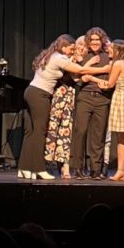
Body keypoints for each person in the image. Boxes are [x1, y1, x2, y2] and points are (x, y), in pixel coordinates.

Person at [19, 34, 103, 180]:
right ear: (64, 47)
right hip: (40, 95)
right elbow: (80, 71)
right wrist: (105, 69)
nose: (72, 51)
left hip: (31, 91)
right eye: (71, 49)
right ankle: (39, 169)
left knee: (30, 132)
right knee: (39, 132)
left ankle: (24, 167)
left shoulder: (50, 54)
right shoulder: (59, 58)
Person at [83, 39, 124, 182]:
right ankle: (121, 170)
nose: (109, 51)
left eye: (111, 48)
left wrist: (91, 78)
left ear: (118, 50)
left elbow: (109, 84)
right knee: (120, 138)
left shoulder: (118, 63)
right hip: (122, 99)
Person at [70, 28, 113, 180]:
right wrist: (87, 72)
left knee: (98, 136)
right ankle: (78, 168)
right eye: (92, 40)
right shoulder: (83, 56)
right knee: (80, 132)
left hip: (103, 98)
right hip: (85, 96)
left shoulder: (108, 56)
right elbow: (77, 76)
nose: (95, 42)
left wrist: (90, 76)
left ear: (102, 41)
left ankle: (96, 169)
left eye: (97, 40)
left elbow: (111, 76)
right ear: (88, 41)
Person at [44, 36, 87, 179]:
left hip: (69, 97)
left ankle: (65, 166)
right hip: (58, 96)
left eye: (82, 45)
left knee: (65, 131)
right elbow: (75, 77)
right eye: (78, 45)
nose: (80, 48)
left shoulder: (78, 59)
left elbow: (78, 80)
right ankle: (46, 164)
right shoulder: (64, 59)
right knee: (52, 129)